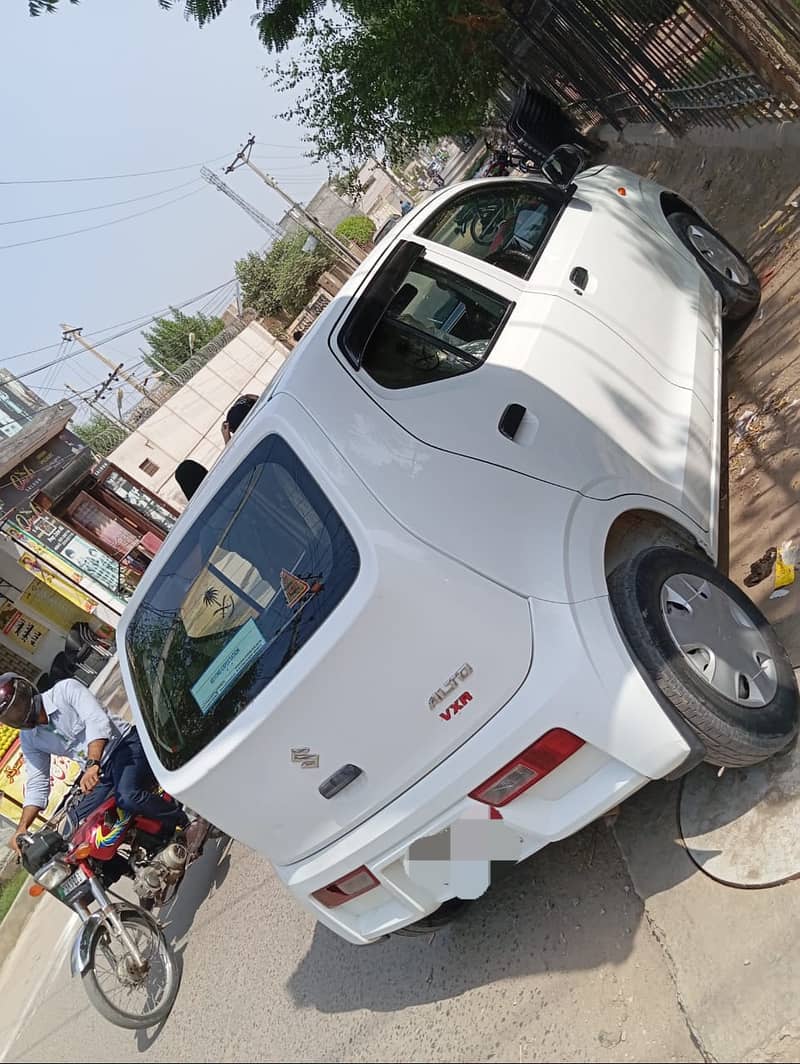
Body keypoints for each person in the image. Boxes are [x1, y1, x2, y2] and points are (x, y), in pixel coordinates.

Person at [0, 674, 206, 855]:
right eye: (9, 717)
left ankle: (187, 820)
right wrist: (22, 827)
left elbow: (97, 721)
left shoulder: (65, 690)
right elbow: (37, 780)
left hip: (126, 746)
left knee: (128, 795)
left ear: (26, 693)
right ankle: (133, 861)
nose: (17, 717)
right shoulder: (29, 738)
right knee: (72, 826)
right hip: (101, 771)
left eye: (15, 708)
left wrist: (92, 764)